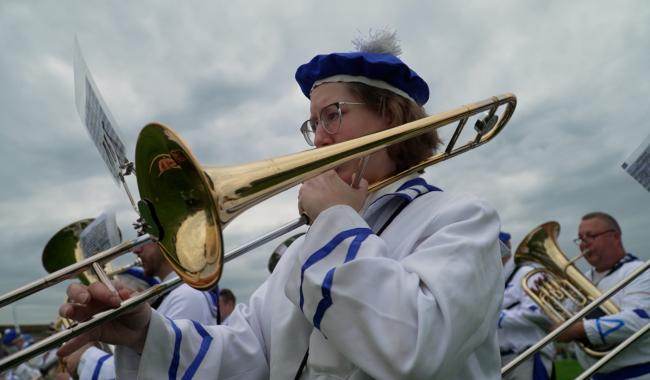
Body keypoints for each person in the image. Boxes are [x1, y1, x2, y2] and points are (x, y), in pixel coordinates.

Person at [58, 30, 504, 379]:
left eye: (332, 115)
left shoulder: (461, 220)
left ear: (389, 114)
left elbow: (415, 348)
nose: (320, 139)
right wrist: (144, 334)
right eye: (312, 125)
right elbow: (247, 357)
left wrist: (332, 218)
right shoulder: (305, 250)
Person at [59, 244, 220, 379]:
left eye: (146, 236)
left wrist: (86, 358)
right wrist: (141, 337)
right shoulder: (175, 294)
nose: (136, 250)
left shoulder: (187, 295)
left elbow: (172, 369)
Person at [553, 212, 650, 379]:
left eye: (591, 236)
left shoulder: (640, 271)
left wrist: (579, 329)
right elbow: (563, 320)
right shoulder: (581, 279)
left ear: (615, 237)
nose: (584, 244)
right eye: (580, 239)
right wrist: (549, 301)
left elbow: (641, 320)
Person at [497, 231, 555, 380]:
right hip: (499, 361)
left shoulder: (528, 273)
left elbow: (541, 314)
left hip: (526, 357)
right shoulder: (495, 279)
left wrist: (495, 317)